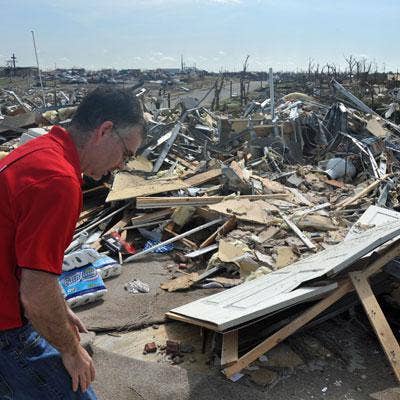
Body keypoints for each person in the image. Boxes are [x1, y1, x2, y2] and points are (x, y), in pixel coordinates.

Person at [0, 87, 145, 399]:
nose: (121, 165)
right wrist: (71, 350)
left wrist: (60, 308)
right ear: (105, 131)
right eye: (126, 154)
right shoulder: (59, 182)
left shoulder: (40, 150)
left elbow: (25, 257)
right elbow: (36, 294)